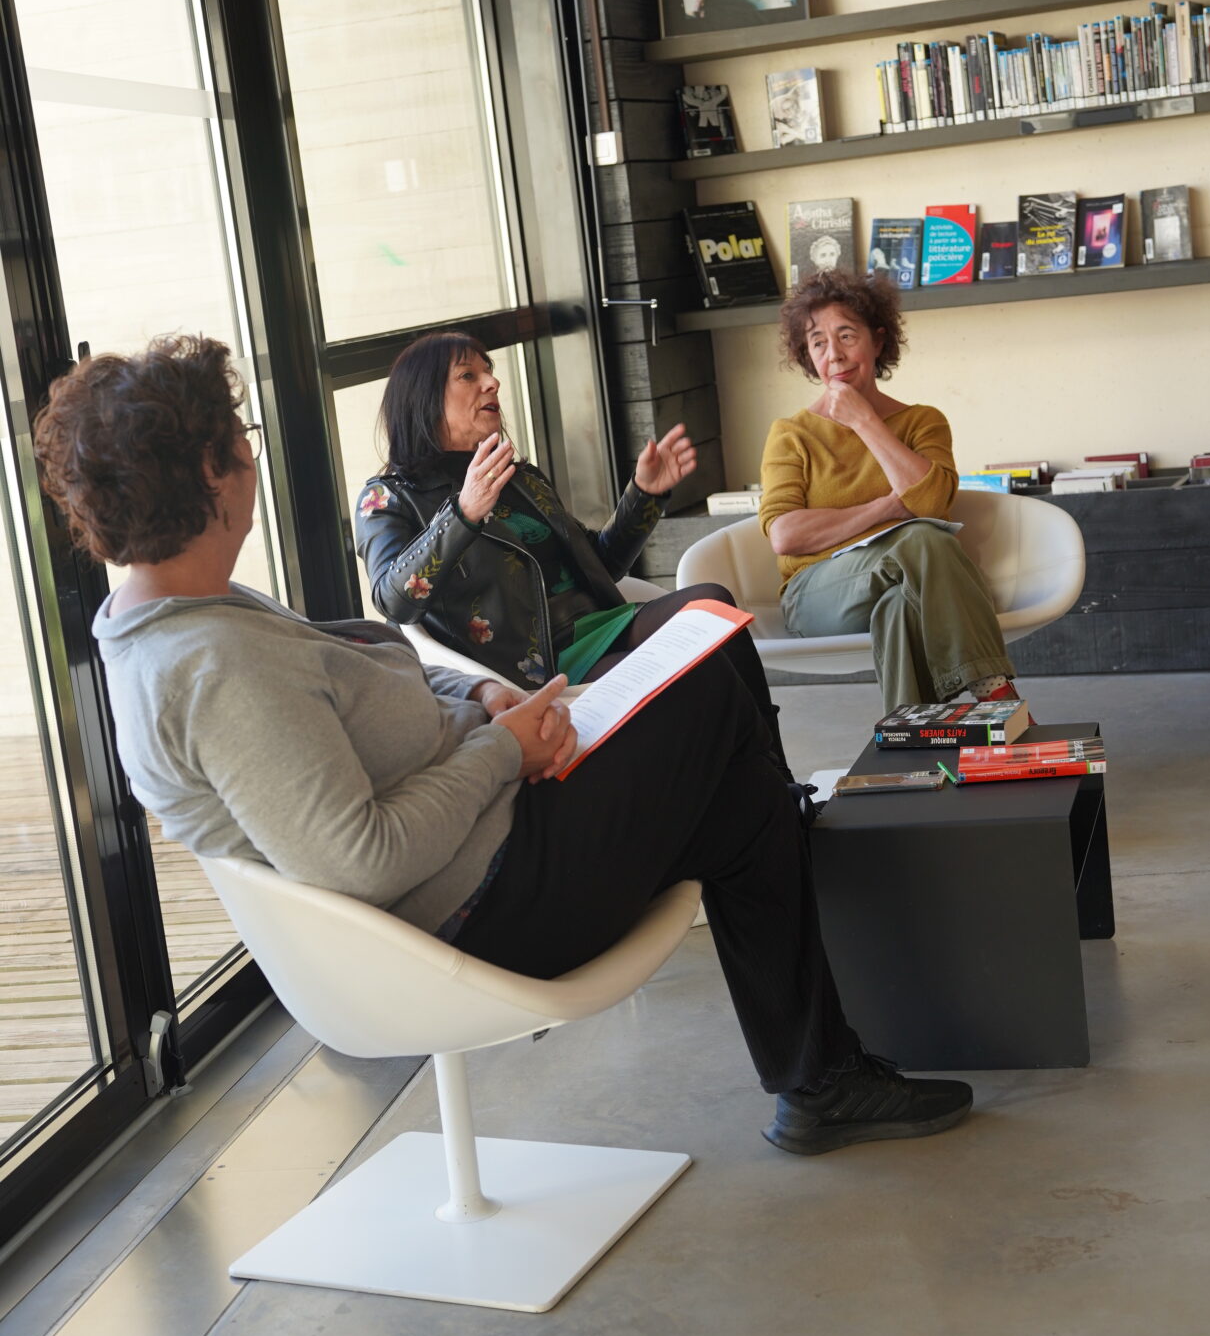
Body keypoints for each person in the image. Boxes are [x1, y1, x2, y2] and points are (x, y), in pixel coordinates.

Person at [33, 334, 974, 1155]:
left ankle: (820, 1079)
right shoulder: (213, 667)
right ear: (209, 473)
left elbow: (385, 660)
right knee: (713, 707)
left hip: (496, 824)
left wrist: (483, 694)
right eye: (240, 439)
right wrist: (503, 752)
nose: (252, 454)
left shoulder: (197, 609)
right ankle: (819, 1071)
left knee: (741, 793)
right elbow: (363, 859)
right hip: (480, 903)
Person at [354, 329, 796, 785]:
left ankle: (779, 780)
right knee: (695, 677)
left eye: (490, 371)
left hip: (600, 626)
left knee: (713, 606)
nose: (493, 383)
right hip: (545, 663)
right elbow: (394, 602)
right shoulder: (388, 499)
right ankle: (758, 788)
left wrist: (644, 495)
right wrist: (463, 515)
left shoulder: (519, 477)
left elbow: (601, 565)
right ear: (424, 398)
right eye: (469, 375)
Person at [759, 269, 1023, 715]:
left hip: (904, 584)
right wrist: (888, 507)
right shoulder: (791, 434)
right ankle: (999, 700)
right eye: (818, 343)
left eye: (847, 336)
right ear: (807, 355)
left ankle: (913, 736)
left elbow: (932, 502)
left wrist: (864, 421)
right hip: (816, 596)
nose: (834, 354)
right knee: (922, 538)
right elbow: (785, 535)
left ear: (878, 341)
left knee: (899, 606)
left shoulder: (923, 421)